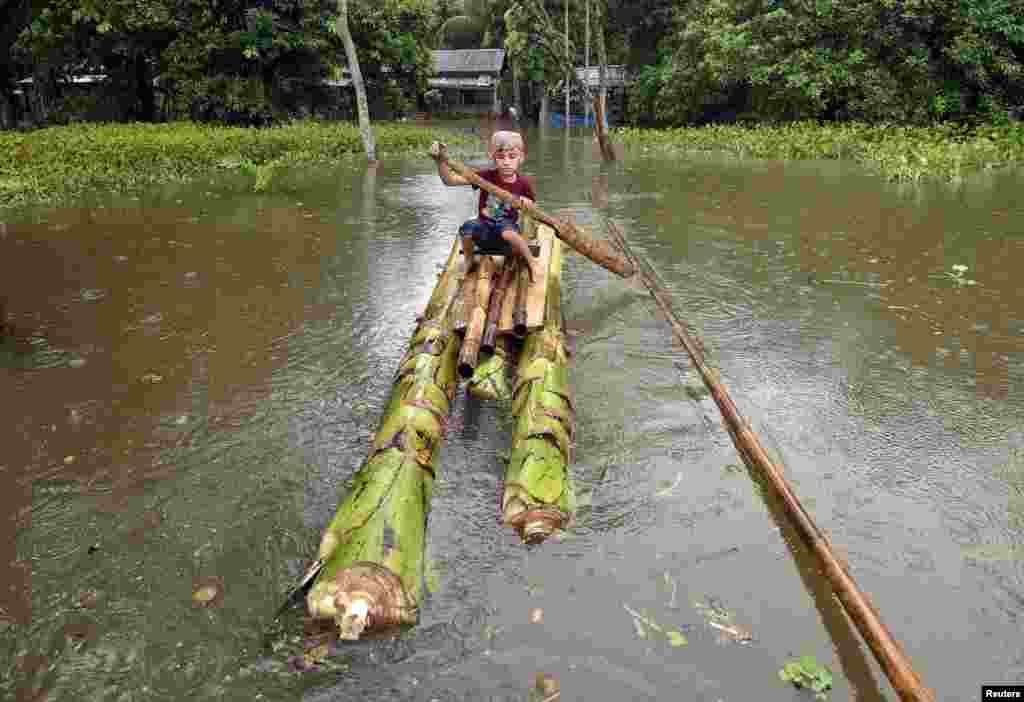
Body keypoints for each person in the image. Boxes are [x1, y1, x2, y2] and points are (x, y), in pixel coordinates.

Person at [430, 131, 542, 282]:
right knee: (466, 229)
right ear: (493, 157)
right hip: (484, 226)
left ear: (521, 157)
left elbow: (533, 208)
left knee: (508, 233)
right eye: (501, 157)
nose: (507, 162)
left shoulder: (523, 183)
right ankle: (469, 260)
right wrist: (440, 161)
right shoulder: (486, 176)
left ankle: (532, 263)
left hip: (506, 227)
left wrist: (522, 201)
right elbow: (449, 180)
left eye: (512, 156)